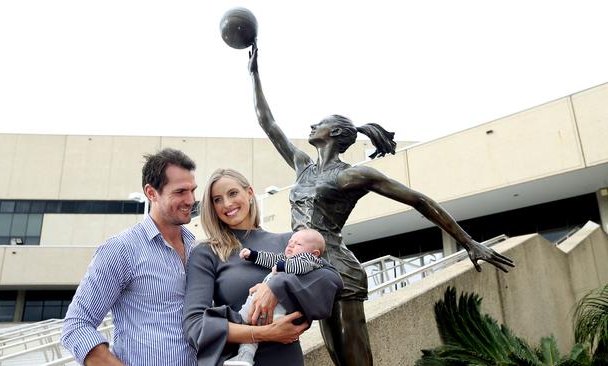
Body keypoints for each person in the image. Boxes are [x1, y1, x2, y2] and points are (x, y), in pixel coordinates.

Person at [247, 45, 515, 366]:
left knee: (355, 360)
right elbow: (268, 123)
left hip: (336, 270)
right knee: (336, 356)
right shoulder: (303, 164)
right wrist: (254, 74)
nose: (310, 126)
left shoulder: (352, 175)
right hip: (304, 268)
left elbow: (419, 200)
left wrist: (468, 242)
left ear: (333, 133)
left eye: (318, 123)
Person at [183, 168, 343, 366]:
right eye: (217, 199)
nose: (227, 204)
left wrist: (275, 288)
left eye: (233, 193)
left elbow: (333, 279)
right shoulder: (207, 252)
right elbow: (195, 326)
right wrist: (264, 333)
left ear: (249, 193)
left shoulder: (290, 243)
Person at [61, 148, 198, 366]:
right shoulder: (121, 249)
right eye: (180, 192)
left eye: (193, 190)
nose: (191, 200)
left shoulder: (197, 249)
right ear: (151, 193)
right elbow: (76, 326)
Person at [225, 229, 326, 366]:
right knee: (249, 332)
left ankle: (240, 350)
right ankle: (244, 358)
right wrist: (253, 255)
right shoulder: (285, 260)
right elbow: (270, 259)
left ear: (314, 253)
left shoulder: (310, 260)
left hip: (277, 310)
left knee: (247, 326)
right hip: (263, 306)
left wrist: (280, 266)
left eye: (298, 244)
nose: (291, 245)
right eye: (290, 242)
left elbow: (300, 266)